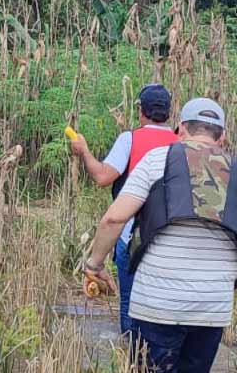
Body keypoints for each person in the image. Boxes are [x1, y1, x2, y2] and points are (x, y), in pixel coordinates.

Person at [83, 98, 237, 373]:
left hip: (157, 301)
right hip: (212, 304)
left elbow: (114, 219)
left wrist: (94, 265)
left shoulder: (157, 160)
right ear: (222, 136)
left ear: (180, 129)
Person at [70, 84, 179, 334]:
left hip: (132, 237)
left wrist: (84, 151)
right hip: (172, 239)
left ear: (141, 111)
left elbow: (103, 177)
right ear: (168, 113)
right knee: (165, 313)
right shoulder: (181, 143)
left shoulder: (130, 139)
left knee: (131, 309)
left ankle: (133, 354)